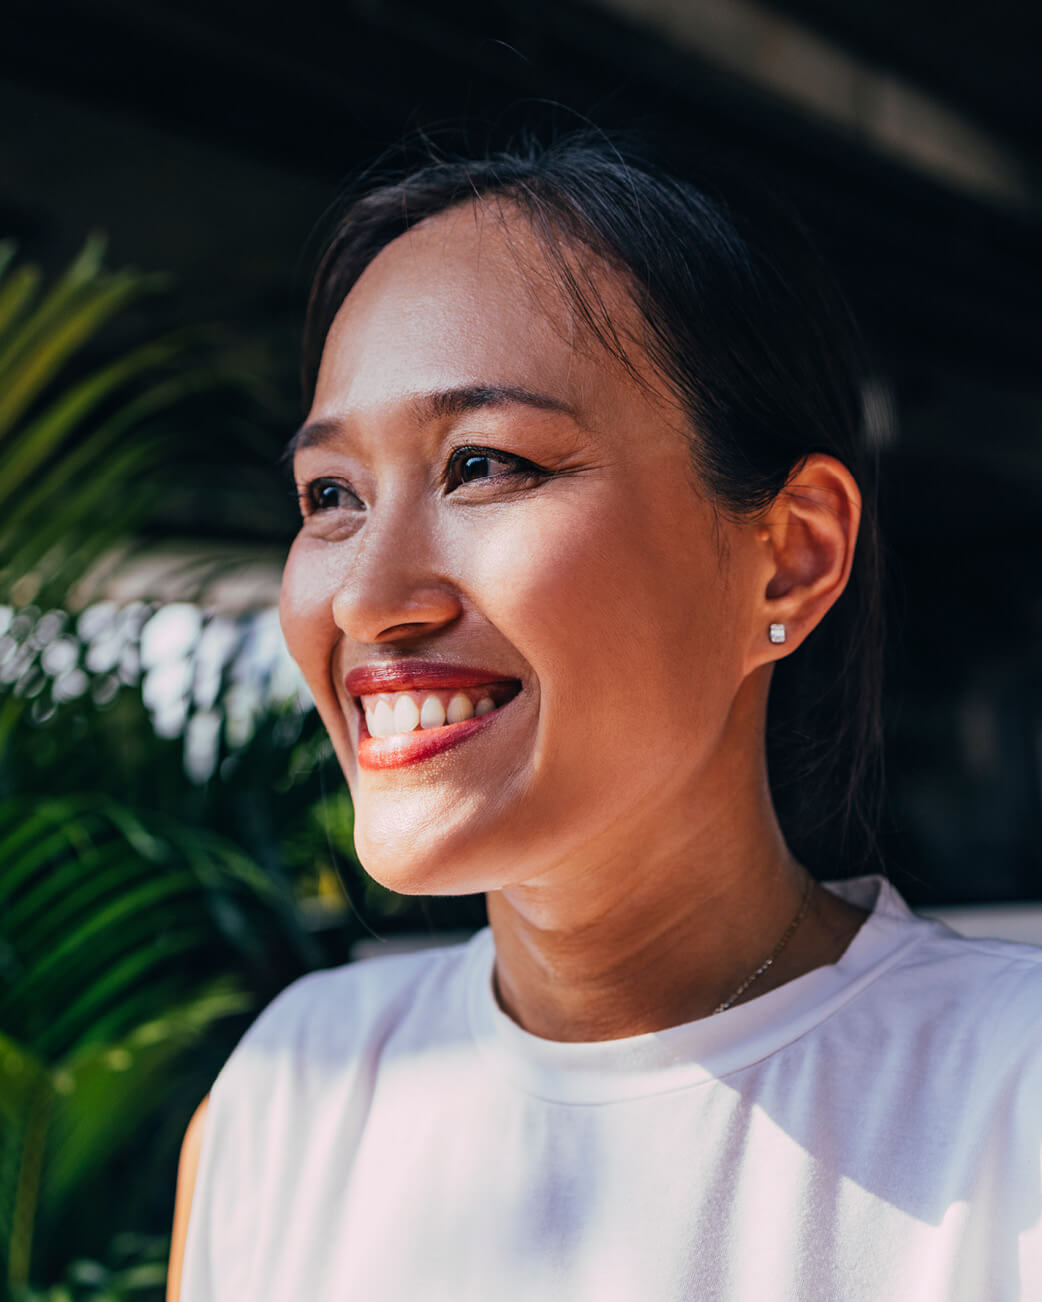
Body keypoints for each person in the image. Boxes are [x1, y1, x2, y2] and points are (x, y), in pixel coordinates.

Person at [168, 131, 1042, 1301]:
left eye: (483, 466)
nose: (369, 599)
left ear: (786, 560)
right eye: (332, 496)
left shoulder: (1008, 1095)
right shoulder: (291, 1096)